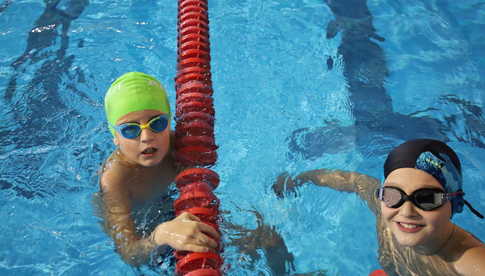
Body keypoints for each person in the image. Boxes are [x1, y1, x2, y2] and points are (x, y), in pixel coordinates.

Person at [273, 139, 485, 276]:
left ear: (455, 204)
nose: (406, 211)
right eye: (393, 195)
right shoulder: (383, 205)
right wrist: (296, 179)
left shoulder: (467, 260)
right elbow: (354, 181)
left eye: (427, 198)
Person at [96, 72, 219, 266]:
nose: (146, 136)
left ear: (169, 122)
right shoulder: (115, 179)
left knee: (263, 238)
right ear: (115, 137)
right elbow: (128, 253)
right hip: (147, 227)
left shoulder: (179, 146)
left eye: (157, 123)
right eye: (130, 129)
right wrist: (160, 235)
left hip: (176, 208)